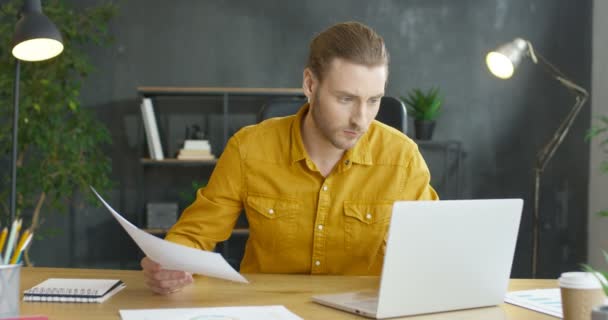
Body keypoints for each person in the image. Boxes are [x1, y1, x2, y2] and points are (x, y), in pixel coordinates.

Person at [141, 21, 438, 294]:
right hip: (267, 308)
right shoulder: (249, 149)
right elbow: (194, 236)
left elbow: (434, 247)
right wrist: (169, 263)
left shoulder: (402, 158)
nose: (361, 119)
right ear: (310, 84)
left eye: (373, 100)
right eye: (346, 99)